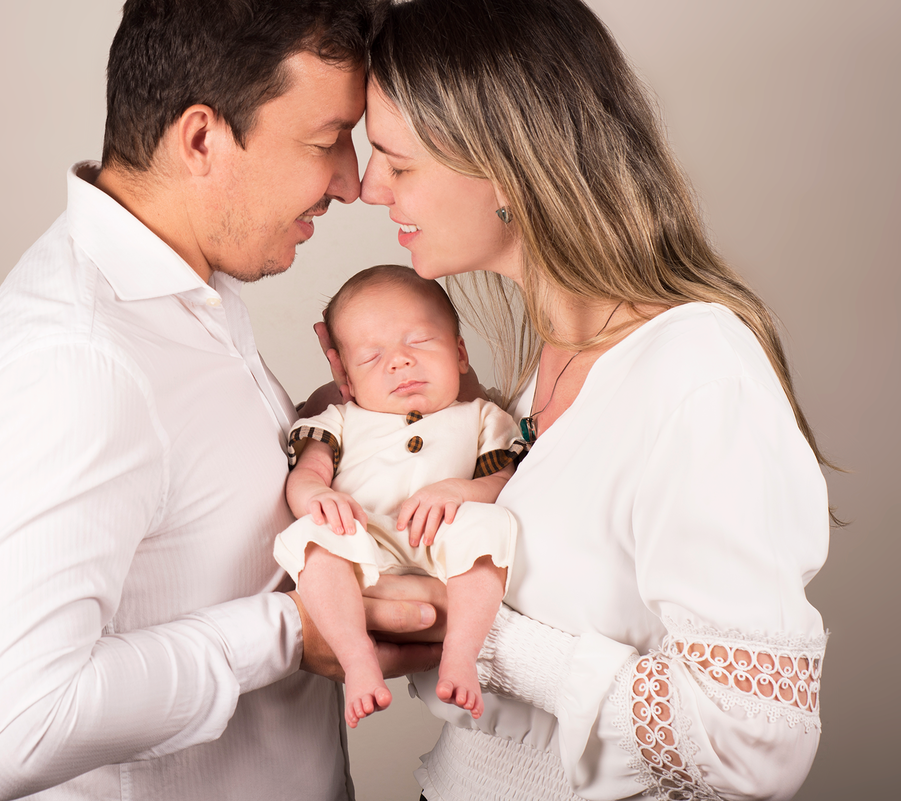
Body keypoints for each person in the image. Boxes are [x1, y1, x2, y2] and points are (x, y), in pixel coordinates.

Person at [0, 2, 443, 800]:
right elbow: (14, 725)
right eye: (326, 141)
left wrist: (345, 425)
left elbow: (196, 508)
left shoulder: (182, 288)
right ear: (202, 139)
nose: (352, 183)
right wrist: (292, 631)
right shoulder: (78, 358)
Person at [332, 0, 833, 798]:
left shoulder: (697, 370)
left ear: (504, 167)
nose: (367, 186)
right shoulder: (548, 366)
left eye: (398, 161)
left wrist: (476, 631)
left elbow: (752, 743)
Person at [277, 265, 525, 728]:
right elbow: (306, 474)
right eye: (372, 357)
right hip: (361, 537)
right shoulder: (340, 418)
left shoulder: (482, 416)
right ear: (347, 378)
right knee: (313, 538)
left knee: (492, 526)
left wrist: (461, 490)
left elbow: (504, 480)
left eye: (421, 341)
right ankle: (357, 658)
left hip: (444, 540)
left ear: (460, 353)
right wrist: (318, 497)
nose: (399, 361)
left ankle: (461, 654)